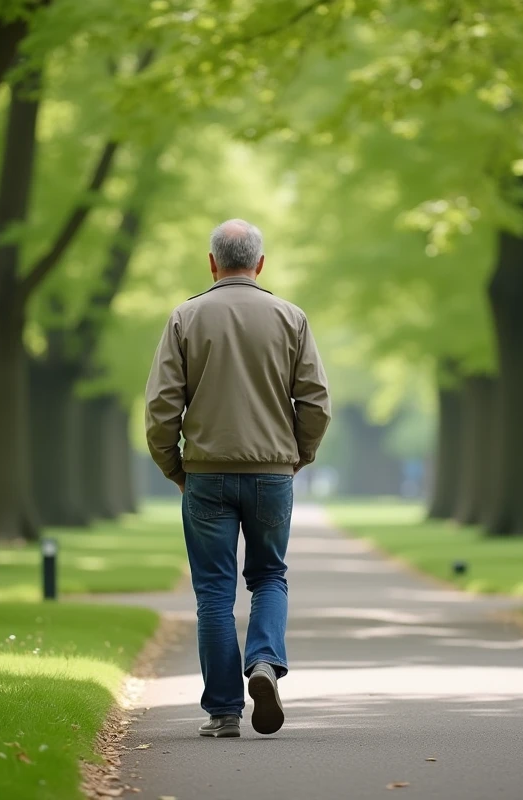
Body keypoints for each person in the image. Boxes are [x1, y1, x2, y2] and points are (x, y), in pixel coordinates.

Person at [144, 219, 331, 738]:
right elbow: (315, 402)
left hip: (206, 474)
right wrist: (299, 456)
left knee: (213, 592)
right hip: (272, 472)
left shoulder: (185, 318)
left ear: (212, 263)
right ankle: (264, 661)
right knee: (269, 576)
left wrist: (173, 465)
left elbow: (162, 406)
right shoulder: (291, 318)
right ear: (260, 264)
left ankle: (224, 711)